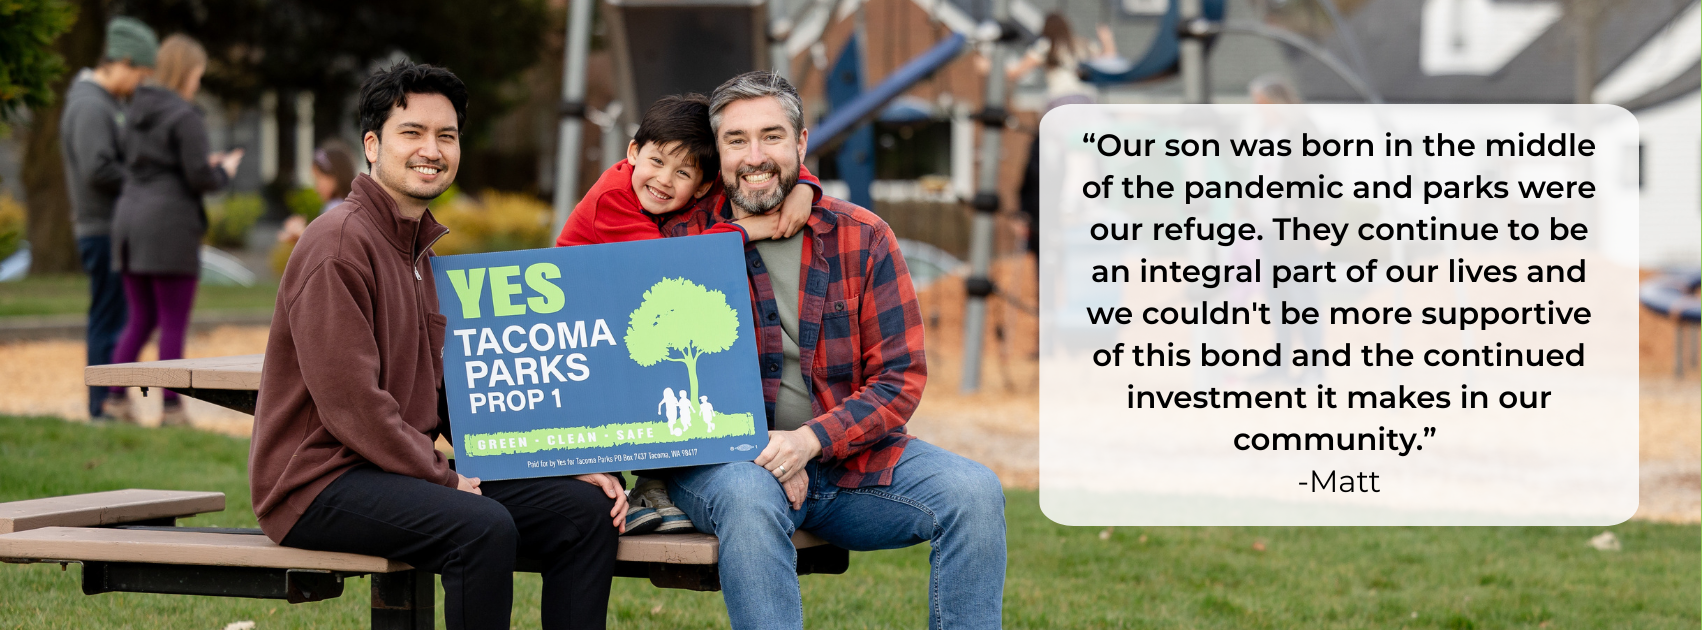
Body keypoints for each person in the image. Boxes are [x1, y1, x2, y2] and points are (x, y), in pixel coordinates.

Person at [249, 61, 625, 630]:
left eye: (446, 136)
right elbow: (352, 404)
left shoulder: (418, 254)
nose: (432, 149)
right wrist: (447, 479)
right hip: (318, 482)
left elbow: (457, 392)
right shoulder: (338, 243)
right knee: (481, 526)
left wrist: (557, 463)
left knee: (585, 513)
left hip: (394, 469)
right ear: (372, 145)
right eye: (413, 133)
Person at [658, 71, 1007, 630]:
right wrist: (764, 452)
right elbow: (655, 380)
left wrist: (809, 442)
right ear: (716, 152)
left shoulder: (861, 235)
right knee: (749, 498)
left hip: (847, 464)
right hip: (728, 465)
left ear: (801, 144)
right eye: (736, 140)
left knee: (975, 492)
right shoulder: (675, 242)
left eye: (772, 137)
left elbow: (899, 379)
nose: (755, 156)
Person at [107, 34, 242, 427]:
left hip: (130, 221)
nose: (198, 83)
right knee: (172, 321)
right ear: (186, 73)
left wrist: (199, 164)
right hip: (169, 227)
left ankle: (114, 400)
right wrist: (224, 170)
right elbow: (199, 176)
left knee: (139, 319)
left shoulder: (132, 111)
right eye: (197, 74)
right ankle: (171, 408)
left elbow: (152, 163)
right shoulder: (185, 116)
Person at [553, 93, 817, 248]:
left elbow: (756, 169)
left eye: (683, 173)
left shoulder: (705, 178)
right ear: (633, 152)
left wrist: (803, 187)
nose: (664, 179)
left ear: (703, 185)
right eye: (657, 161)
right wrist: (747, 229)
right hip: (576, 306)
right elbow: (674, 266)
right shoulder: (611, 198)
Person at [60, 17, 156, 421]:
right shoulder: (89, 104)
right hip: (102, 229)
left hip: (109, 228)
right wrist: (146, 183)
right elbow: (98, 169)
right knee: (108, 319)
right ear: (123, 61)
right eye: (139, 73)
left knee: (117, 316)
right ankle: (101, 406)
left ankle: (108, 403)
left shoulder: (103, 103)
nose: (138, 84)